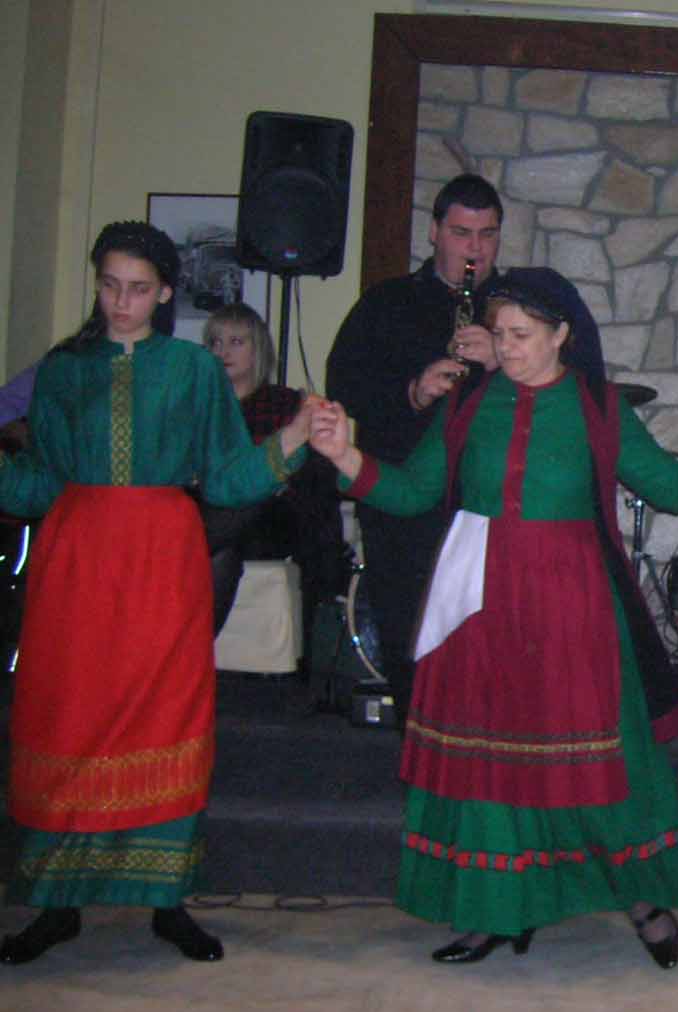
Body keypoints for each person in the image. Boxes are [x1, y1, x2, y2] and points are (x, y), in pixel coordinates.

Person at [308, 267, 678, 967]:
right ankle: (495, 910)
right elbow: (414, 491)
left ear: (561, 334)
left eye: (520, 335)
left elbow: (670, 485)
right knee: (489, 763)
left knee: (600, 759)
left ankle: (642, 902)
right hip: (480, 607)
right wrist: (345, 455)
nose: (505, 349)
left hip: (573, 609)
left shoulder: (600, 408)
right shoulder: (467, 405)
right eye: (499, 334)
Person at [0, 221, 314, 965]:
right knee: (70, 712)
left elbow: (229, 478)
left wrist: (295, 436)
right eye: (110, 285)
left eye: (139, 289)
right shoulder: (63, 370)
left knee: (163, 713)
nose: (121, 302)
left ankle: (166, 899)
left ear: (166, 293)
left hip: (163, 563)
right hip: (75, 561)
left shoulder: (194, 371)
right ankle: (56, 905)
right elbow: (40, 484)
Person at [325, 173, 507, 719]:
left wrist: (503, 358)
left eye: (488, 234)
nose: (475, 249)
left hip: (488, 500)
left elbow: (563, 386)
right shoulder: (387, 303)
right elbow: (344, 385)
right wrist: (414, 391)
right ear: (433, 232)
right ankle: (418, 743)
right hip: (401, 501)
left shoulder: (517, 311)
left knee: (489, 638)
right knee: (410, 630)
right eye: (461, 233)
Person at [201, 304, 348, 654]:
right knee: (222, 555)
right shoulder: (200, 404)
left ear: (258, 349)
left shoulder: (283, 403)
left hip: (271, 516)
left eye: (236, 341)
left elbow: (306, 475)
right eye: (215, 342)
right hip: (212, 513)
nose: (223, 352)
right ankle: (190, 655)